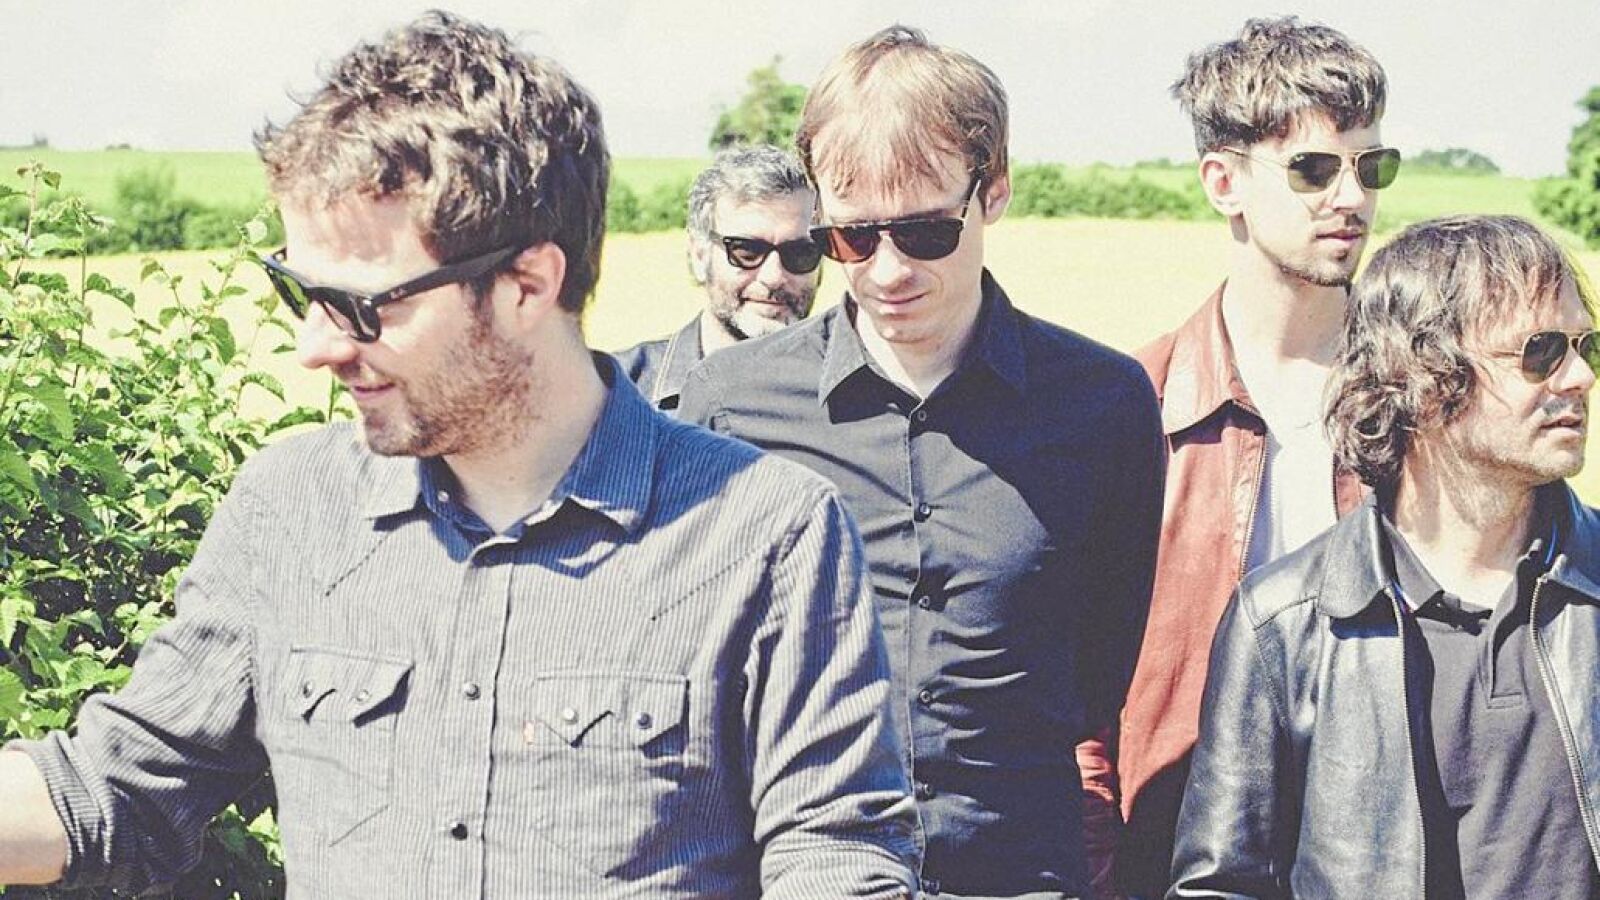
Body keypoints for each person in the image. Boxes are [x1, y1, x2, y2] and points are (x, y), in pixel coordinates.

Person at [0, 13, 919, 898]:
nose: (315, 348)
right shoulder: (290, 507)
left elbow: (835, 858)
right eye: (300, 291)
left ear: (526, 285)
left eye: (361, 306)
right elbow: (117, 785)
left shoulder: (765, 534)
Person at [679, 25, 1165, 899]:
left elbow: (1099, 668)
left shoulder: (1102, 404)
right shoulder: (732, 404)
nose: (888, 271)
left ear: (995, 191)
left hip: (1022, 870)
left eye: (926, 232)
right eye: (852, 239)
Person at [1172, 215, 1600, 899]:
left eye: (1586, 346)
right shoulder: (1285, 623)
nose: (1579, 377)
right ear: (1423, 379)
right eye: (1541, 351)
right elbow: (1224, 886)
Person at [1111, 18, 1394, 895]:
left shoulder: (1421, 398)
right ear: (1223, 182)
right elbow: (1073, 689)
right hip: (1175, 851)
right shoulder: (1132, 403)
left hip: (1387, 850)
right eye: (1313, 169)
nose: (1351, 197)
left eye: (1372, 167)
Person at [614, 145, 821, 411]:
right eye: (747, 252)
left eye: (800, 253)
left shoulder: (854, 399)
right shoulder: (616, 395)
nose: (774, 277)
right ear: (699, 256)